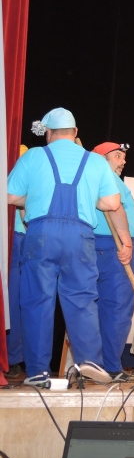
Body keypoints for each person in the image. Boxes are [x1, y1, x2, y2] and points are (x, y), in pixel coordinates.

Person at [7, 108, 127, 387]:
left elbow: (10, 195)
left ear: (48, 133)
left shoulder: (34, 156)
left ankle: (38, 372)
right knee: (82, 299)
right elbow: (112, 203)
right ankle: (90, 362)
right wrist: (87, 198)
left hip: (40, 234)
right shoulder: (94, 160)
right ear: (75, 133)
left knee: (37, 300)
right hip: (80, 236)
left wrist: (34, 197)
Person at [92, 142, 134, 382]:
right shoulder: (106, 178)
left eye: (124, 157)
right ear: (102, 158)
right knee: (117, 307)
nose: (123, 161)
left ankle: (96, 364)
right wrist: (126, 244)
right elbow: (114, 208)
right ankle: (110, 366)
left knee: (100, 307)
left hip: (103, 245)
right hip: (114, 246)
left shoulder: (102, 179)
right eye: (118, 156)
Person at [5, 145, 29, 380]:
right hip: (13, 236)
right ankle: (12, 358)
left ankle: (12, 358)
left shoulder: (24, 153)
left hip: (21, 236)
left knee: (16, 300)